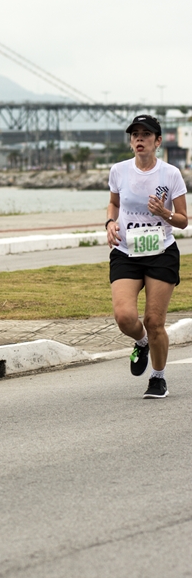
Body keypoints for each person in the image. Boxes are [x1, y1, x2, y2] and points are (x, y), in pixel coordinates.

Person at [106, 114, 188, 398]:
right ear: (131, 142)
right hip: (126, 251)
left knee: (154, 321)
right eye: (135, 134)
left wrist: (164, 213)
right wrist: (110, 223)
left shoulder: (171, 174)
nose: (139, 138)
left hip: (161, 252)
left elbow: (183, 220)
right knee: (124, 316)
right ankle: (140, 343)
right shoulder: (118, 170)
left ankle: (158, 377)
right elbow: (114, 203)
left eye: (146, 134)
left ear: (157, 141)